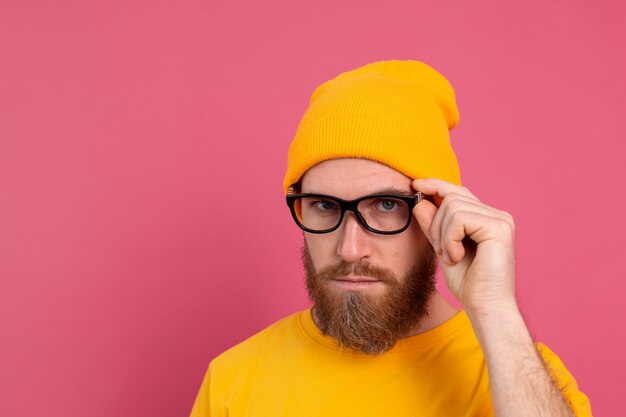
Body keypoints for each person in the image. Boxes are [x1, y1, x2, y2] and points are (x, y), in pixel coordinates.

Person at [190, 60, 592, 416]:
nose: (350, 248)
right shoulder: (233, 380)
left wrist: (495, 309)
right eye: (325, 206)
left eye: (385, 206)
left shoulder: (519, 373)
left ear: (437, 213)